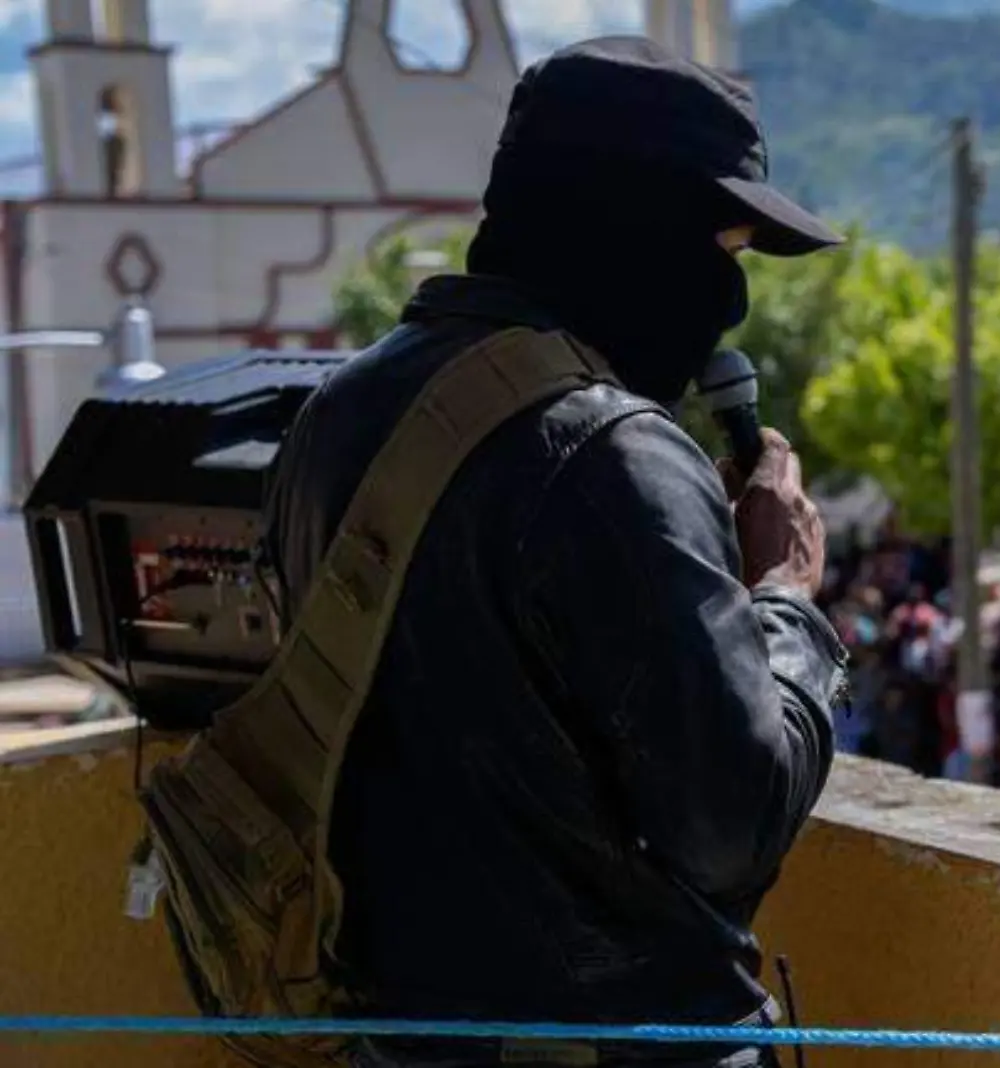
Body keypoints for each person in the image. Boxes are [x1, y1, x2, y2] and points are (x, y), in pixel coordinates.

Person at [263, 38, 848, 1068]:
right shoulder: (612, 449)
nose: (730, 303)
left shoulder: (336, 413)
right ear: (629, 228)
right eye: (722, 247)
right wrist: (787, 595)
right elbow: (731, 826)